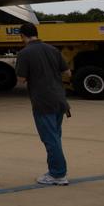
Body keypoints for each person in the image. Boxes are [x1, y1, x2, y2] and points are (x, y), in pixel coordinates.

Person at [14, 21, 72, 186]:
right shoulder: (53, 49)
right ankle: (54, 170)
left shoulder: (25, 53)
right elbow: (67, 72)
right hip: (60, 99)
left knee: (50, 139)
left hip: (43, 101)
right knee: (55, 136)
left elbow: (21, 80)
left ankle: (58, 174)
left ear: (22, 36)